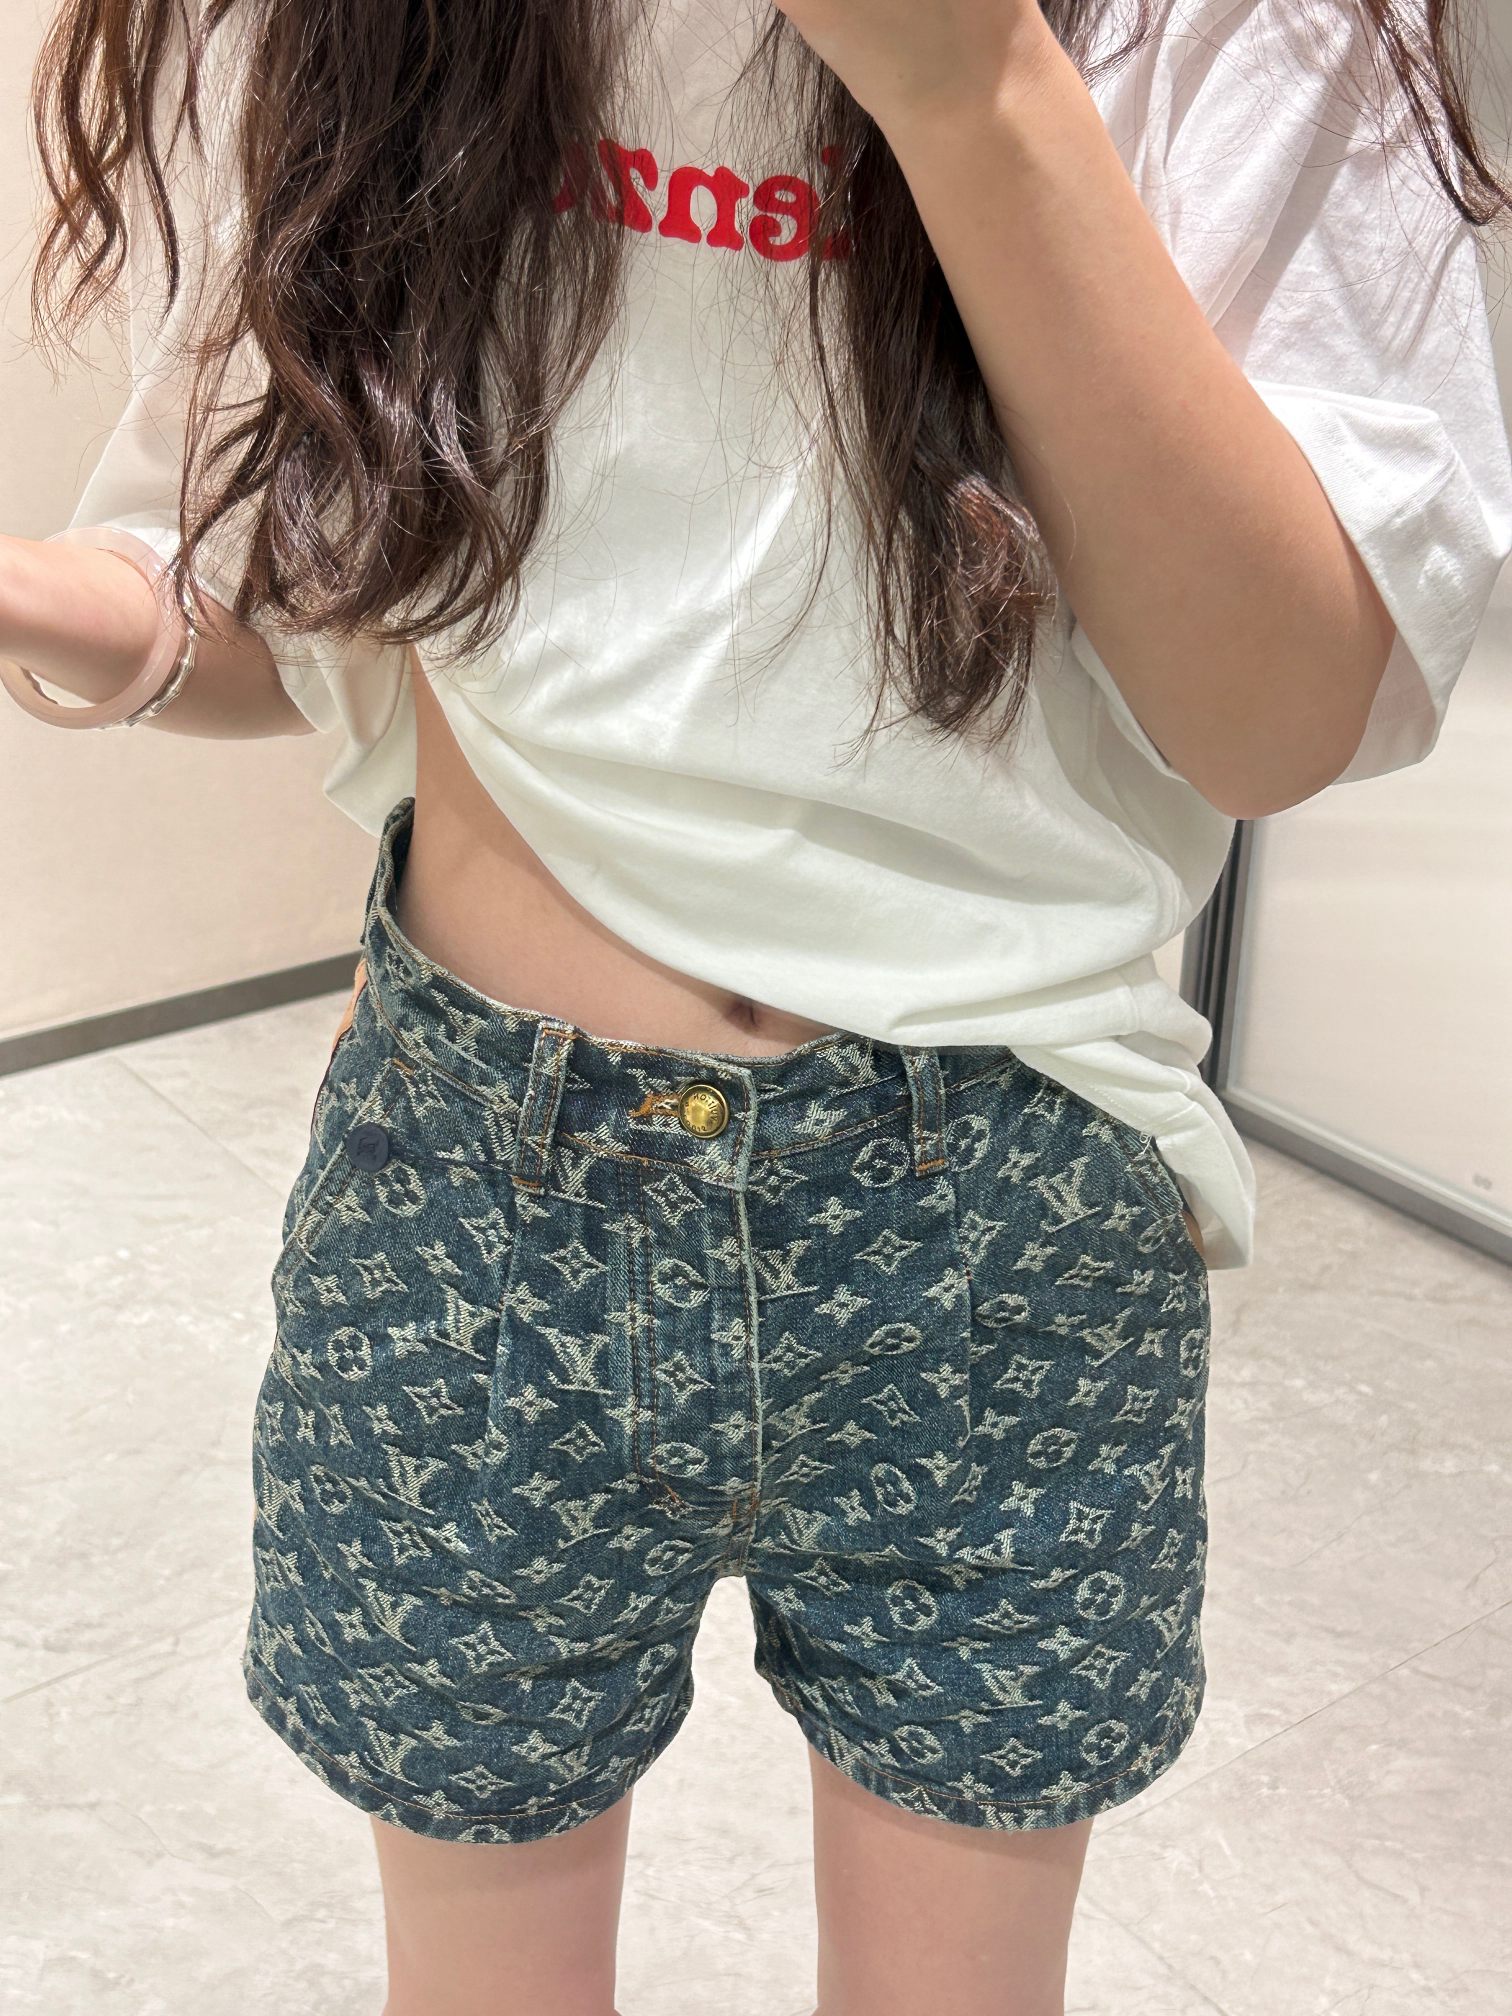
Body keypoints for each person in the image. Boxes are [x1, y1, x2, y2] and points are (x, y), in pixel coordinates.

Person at [5, 0, 1510, 2009]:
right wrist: (50, 599)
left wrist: (969, 88)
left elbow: (1274, 712)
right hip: (481, 1183)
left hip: (999, 1194)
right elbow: (277, 584)